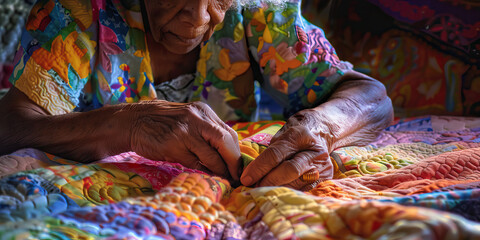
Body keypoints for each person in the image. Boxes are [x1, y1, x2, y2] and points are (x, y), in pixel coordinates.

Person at [0, 0, 393, 190]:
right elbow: (11, 127)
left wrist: (321, 126)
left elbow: (370, 96)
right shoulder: (77, 12)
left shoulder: (258, 9)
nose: (199, 19)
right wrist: (129, 124)